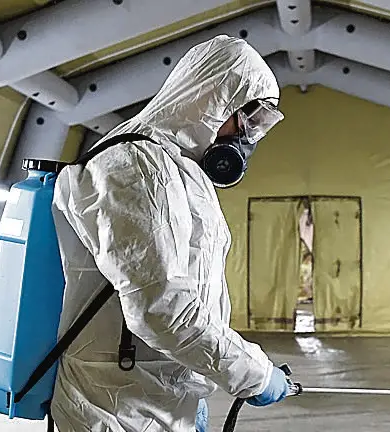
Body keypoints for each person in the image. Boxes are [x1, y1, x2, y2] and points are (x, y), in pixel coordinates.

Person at [49, 34, 289, 432]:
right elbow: (162, 310)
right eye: (247, 118)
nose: (247, 137)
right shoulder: (135, 167)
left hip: (157, 395)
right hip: (116, 407)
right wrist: (254, 374)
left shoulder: (178, 168)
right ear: (214, 98)